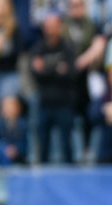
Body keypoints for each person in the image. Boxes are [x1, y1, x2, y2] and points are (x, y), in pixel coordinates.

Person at [30, 12, 77, 164]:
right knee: (42, 145)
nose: (51, 29)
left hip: (64, 102)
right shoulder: (38, 48)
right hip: (44, 102)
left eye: (54, 26)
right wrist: (57, 68)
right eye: (48, 26)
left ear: (60, 27)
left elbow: (70, 73)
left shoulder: (68, 47)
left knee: (67, 146)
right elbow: (36, 73)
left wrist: (46, 68)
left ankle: (71, 177)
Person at [65, 0, 107, 156]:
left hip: (88, 75)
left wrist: (82, 61)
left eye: (79, 5)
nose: (76, 9)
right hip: (68, 78)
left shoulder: (92, 25)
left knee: (89, 113)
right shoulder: (64, 25)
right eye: (73, 6)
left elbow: (99, 46)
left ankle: (88, 149)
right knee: (68, 114)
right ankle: (72, 152)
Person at [0, 0, 21, 129]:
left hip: (9, 74)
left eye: (2, 6)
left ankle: (10, 144)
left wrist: (3, 43)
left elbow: (19, 50)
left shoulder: (14, 27)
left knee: (9, 112)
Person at [0, 93, 27, 165]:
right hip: (2, 156)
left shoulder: (23, 124)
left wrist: (16, 149)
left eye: (12, 106)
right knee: (1, 146)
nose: (10, 108)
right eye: (7, 106)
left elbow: (25, 142)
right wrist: (5, 149)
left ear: (18, 108)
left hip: (18, 157)